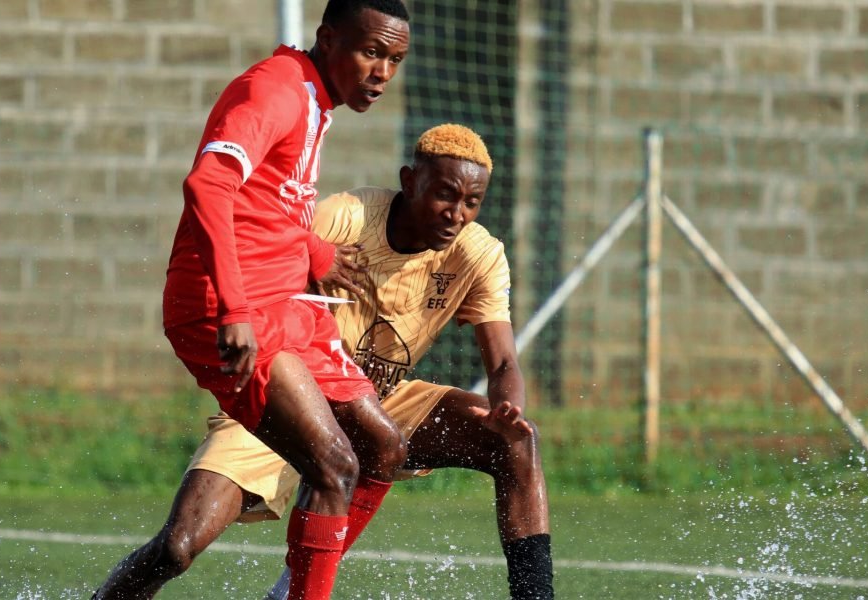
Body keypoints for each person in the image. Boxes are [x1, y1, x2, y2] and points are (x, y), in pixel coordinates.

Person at [104, 123, 555, 600]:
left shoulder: (478, 254)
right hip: (284, 399)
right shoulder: (345, 218)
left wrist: (509, 409)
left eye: (472, 201)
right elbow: (264, 256)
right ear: (409, 180)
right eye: (444, 194)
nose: (457, 213)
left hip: (378, 406)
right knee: (177, 548)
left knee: (514, 445)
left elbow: (504, 362)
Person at [92, 2, 412, 599]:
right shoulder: (277, 89)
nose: (382, 72)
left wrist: (312, 251)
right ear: (328, 38)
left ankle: (293, 589)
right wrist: (235, 312)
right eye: (371, 52)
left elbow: (264, 202)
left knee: (383, 447)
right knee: (334, 467)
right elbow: (209, 184)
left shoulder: (314, 99)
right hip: (228, 310)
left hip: (288, 305)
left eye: (394, 59)